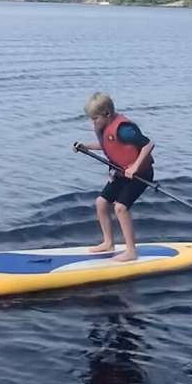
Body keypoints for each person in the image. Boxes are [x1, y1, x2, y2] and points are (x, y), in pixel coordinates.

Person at [73, 92, 155, 262]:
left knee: (120, 208)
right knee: (101, 203)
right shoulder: (105, 128)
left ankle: (131, 251)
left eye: (95, 119)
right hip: (121, 172)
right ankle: (108, 243)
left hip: (141, 174)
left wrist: (135, 166)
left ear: (107, 115)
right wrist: (85, 147)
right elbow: (108, 145)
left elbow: (148, 144)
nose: (92, 123)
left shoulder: (125, 130)